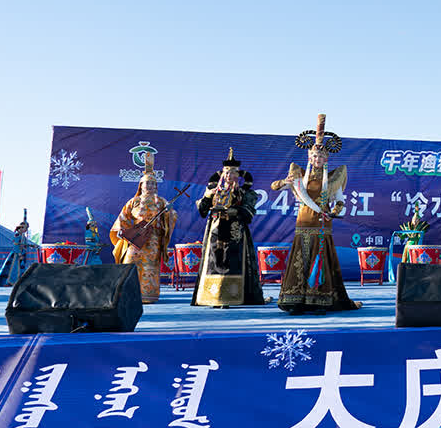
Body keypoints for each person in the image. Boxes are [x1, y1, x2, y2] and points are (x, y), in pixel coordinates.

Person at [271, 114, 362, 314]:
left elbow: (340, 202)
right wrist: (285, 182)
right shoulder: (299, 175)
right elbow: (274, 186)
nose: (317, 159)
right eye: (314, 156)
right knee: (301, 260)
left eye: (320, 157)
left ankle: (319, 301)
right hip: (303, 222)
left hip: (322, 223)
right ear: (309, 157)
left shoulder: (333, 178)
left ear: (326, 159)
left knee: (320, 260)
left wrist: (334, 212)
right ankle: (296, 301)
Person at [191, 148, 265, 308]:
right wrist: (208, 196)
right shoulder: (213, 191)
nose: (229, 176)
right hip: (215, 231)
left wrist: (235, 211)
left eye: (232, 173)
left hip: (235, 232)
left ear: (238, 175)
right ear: (222, 174)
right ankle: (212, 296)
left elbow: (249, 212)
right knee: (214, 262)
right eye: (226, 173)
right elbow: (202, 211)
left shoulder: (245, 192)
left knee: (233, 262)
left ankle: (232, 296)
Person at [110, 153, 177, 304]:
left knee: (149, 266)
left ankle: (148, 295)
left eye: (153, 184)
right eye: (147, 183)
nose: (150, 186)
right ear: (141, 185)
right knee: (129, 262)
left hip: (153, 239)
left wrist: (169, 213)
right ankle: (127, 294)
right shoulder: (134, 201)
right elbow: (124, 217)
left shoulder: (161, 201)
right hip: (137, 238)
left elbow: (171, 217)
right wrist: (122, 230)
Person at [0, 210, 34, 287]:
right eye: (25, 228)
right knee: (13, 269)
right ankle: (10, 282)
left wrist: (30, 246)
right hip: (16, 255)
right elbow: (16, 246)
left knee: (20, 269)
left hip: (21, 254)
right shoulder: (17, 235)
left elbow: (24, 244)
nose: (26, 230)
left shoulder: (23, 237)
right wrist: (19, 253)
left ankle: (18, 282)